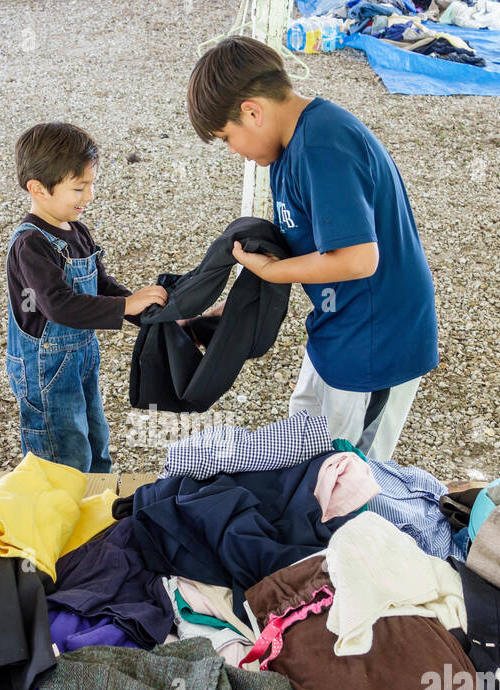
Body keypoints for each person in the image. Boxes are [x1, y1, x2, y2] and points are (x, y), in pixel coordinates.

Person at [186, 36, 439, 461]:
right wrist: (232, 307)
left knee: (350, 473)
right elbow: (302, 246)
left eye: (227, 138)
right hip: (336, 328)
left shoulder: (323, 147)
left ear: (252, 111)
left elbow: (358, 259)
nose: (235, 152)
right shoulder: (288, 148)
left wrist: (270, 273)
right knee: (304, 448)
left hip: (376, 341)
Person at [4, 122, 168, 473]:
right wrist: (127, 305)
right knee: (62, 455)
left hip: (80, 359)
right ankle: (59, 519)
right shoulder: (30, 244)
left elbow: (102, 285)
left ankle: (96, 511)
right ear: (38, 189)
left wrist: (146, 313)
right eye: (79, 188)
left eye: (91, 185)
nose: (89, 196)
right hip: (44, 369)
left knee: (95, 442)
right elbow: (57, 305)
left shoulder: (76, 230)